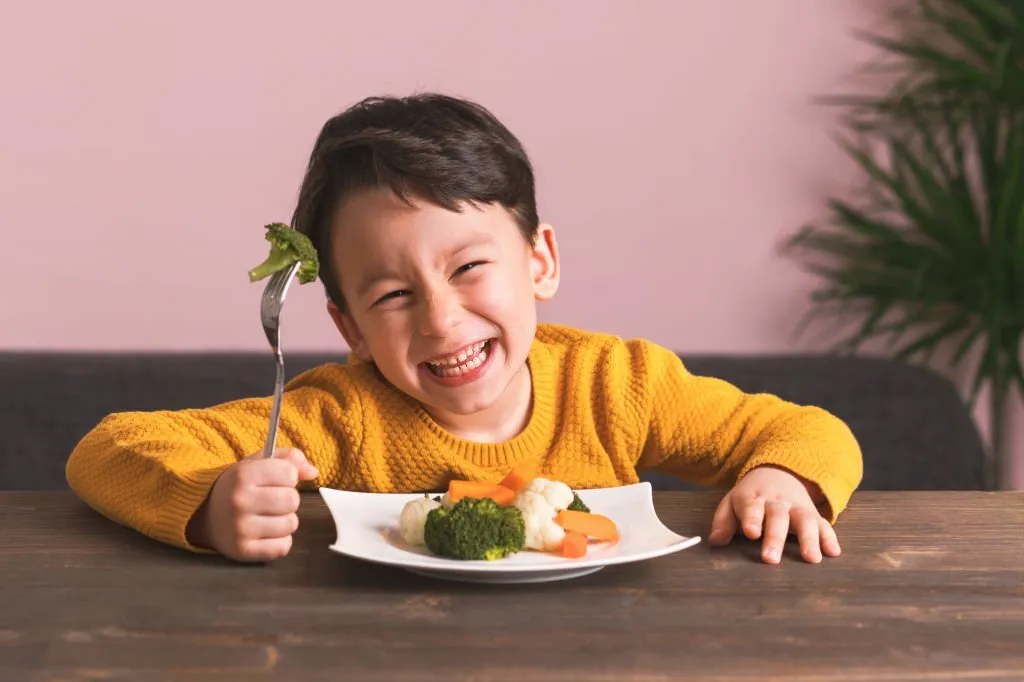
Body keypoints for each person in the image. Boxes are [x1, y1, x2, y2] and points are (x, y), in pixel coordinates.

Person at [66, 93, 863, 566]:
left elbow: (805, 428)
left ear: (540, 260)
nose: (442, 320)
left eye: (469, 268)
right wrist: (208, 506)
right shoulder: (335, 420)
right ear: (347, 325)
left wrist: (786, 479)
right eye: (391, 295)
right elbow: (107, 450)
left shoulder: (617, 385)